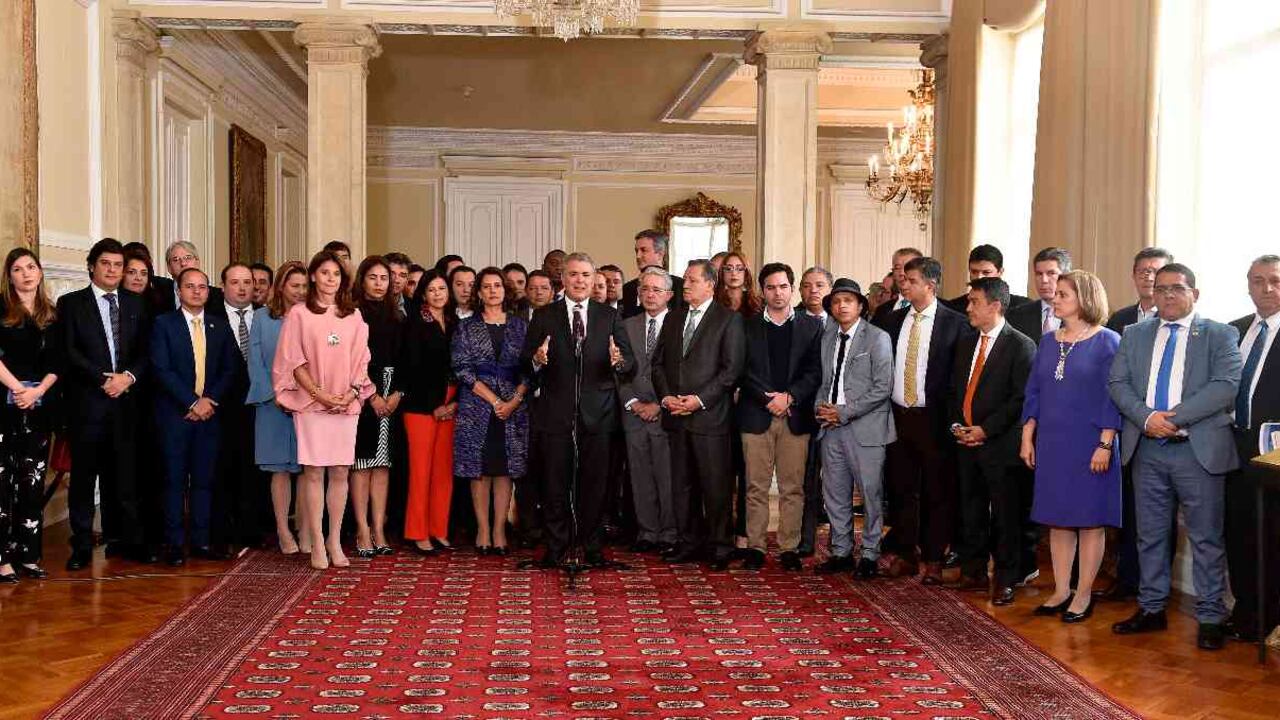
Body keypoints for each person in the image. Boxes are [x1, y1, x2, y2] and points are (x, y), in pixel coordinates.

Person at [1109, 263, 1240, 650]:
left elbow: (1225, 387)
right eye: (1161, 288)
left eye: (1177, 288)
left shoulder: (1220, 334)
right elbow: (1118, 383)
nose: (1167, 295)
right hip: (1147, 449)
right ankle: (1151, 609)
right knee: (1149, 536)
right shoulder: (1134, 333)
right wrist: (1147, 418)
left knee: (1206, 538)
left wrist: (1172, 419)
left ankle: (1211, 617)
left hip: (1197, 452)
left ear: (1194, 294)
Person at [1020, 270, 1121, 620]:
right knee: (1058, 519)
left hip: (1091, 443)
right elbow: (1034, 390)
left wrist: (1105, 443)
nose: (1055, 298)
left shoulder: (1108, 341)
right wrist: (1027, 434)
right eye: (1056, 294)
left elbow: (1114, 396)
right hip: (1053, 442)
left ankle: (1083, 593)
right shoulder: (1048, 340)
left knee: (1089, 519)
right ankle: (1061, 589)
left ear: (1085, 299)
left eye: (1063, 293)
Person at [522, 253, 634, 566]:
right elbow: (524, 364)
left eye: (586, 275)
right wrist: (536, 361)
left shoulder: (608, 316)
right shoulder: (544, 315)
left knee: (595, 486)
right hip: (556, 415)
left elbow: (630, 364)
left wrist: (619, 362)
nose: (580, 280)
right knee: (555, 485)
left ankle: (593, 548)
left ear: (593, 277)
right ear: (564, 279)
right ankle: (557, 548)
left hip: (598, 416)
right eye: (573, 274)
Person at [273, 251, 375, 570]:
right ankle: (316, 539)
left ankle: (334, 539)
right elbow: (293, 360)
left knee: (341, 471)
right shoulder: (299, 315)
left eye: (336, 274)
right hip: (312, 404)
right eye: (325, 272)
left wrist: (350, 393)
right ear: (314, 276)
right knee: (314, 471)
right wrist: (322, 395)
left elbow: (362, 360)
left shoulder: (353, 315)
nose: (331, 279)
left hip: (346, 402)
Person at [58, 238, 154, 570]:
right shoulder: (70, 304)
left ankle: (122, 540)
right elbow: (68, 352)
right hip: (88, 404)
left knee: (124, 477)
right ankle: (82, 544)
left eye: (117, 265)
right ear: (92, 266)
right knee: (85, 478)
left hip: (127, 404)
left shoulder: (137, 304)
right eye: (106, 264)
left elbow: (146, 352)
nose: (112, 270)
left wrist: (127, 376)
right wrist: (104, 379)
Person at [878, 256, 968, 583]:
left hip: (935, 420)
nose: (904, 283)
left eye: (911, 279)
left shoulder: (956, 324)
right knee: (902, 491)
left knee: (937, 492)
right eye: (903, 278)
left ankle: (933, 558)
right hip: (898, 417)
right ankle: (906, 554)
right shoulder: (892, 319)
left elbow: (959, 380)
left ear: (930, 285)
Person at [948, 277, 1037, 606]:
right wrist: (957, 424)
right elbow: (955, 390)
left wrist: (985, 430)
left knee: (1005, 516)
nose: (968, 307)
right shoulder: (967, 341)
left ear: (995, 306)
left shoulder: (1021, 345)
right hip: (965, 442)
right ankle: (972, 571)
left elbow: (1020, 399)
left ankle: (1005, 578)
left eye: (974, 302)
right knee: (970, 510)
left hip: (1001, 446)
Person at [652, 259, 746, 570]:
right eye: (686, 280)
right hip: (676, 417)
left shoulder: (728, 320)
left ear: (710, 284)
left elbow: (731, 371)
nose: (686, 285)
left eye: (692, 280)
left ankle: (720, 546)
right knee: (682, 484)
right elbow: (658, 364)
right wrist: (666, 396)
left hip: (710, 418)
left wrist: (698, 400)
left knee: (715, 485)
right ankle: (687, 542)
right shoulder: (673, 318)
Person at [1099, 246, 1175, 601]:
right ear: (1134, 276)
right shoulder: (1120, 319)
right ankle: (1127, 578)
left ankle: (1154, 587)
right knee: (1127, 507)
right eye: (1142, 270)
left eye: (1155, 271)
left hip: (1167, 430)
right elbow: (1112, 377)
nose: (1148, 276)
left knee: (1161, 514)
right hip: (1127, 429)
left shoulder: (1183, 323)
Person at [150, 268, 240, 566]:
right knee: (174, 481)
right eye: (190, 286)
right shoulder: (163, 324)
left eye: (202, 287)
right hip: (176, 416)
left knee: (204, 481)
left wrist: (208, 401)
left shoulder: (219, 326)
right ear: (179, 290)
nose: (197, 292)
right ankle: (174, 544)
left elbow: (230, 369)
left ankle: (201, 541)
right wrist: (191, 402)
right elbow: (161, 370)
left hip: (209, 417)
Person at [738, 263, 822, 571]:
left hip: (795, 415)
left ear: (792, 288)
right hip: (755, 414)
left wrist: (790, 397)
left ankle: (789, 547)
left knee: (793, 487)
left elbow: (815, 371)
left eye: (783, 286)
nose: (777, 293)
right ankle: (756, 546)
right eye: (771, 287)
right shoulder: (745, 326)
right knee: (755, 486)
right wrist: (767, 399)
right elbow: (741, 370)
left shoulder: (811, 327)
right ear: (763, 291)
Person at [813, 279, 894, 578]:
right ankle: (841, 551)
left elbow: (882, 387)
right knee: (834, 493)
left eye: (848, 300)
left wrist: (843, 413)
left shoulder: (877, 338)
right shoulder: (828, 337)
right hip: (830, 428)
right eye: (836, 301)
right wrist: (822, 408)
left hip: (866, 428)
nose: (842, 305)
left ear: (861, 305)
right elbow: (824, 380)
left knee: (871, 494)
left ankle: (871, 554)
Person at [452, 267, 530, 555]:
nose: (493, 291)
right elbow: (462, 369)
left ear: (505, 291)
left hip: (514, 408)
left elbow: (530, 370)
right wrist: (494, 401)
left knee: (505, 469)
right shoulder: (466, 327)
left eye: (498, 285)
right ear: (479, 292)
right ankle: (483, 529)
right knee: (480, 470)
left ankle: (500, 529)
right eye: (487, 286)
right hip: (477, 407)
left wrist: (513, 400)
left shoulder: (521, 326)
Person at [1226, 255, 1280, 642]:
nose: (1267, 289)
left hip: (1275, 455)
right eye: (1258, 281)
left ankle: (1271, 618)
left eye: (1275, 281)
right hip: (1232, 447)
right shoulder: (1234, 330)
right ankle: (1245, 613)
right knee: (1238, 531)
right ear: (1248, 285)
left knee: (1273, 535)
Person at [0, 249, 60, 582]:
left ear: (40, 273)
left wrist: (36, 392)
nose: (26, 274)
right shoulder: (1, 310)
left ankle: (29, 555)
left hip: (38, 408)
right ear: (9, 277)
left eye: (31, 267)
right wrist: (18, 389)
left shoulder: (51, 314)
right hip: (5, 406)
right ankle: (3, 559)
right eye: (18, 269)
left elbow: (57, 363)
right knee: (3, 485)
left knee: (32, 483)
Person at [247, 261, 307, 555]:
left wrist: (303, 398)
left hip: (308, 405)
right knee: (279, 471)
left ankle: (307, 530)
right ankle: (284, 532)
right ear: (281, 286)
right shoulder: (262, 318)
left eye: (305, 286)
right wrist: (276, 397)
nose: (300, 291)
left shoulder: (314, 317)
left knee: (308, 469)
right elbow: (256, 362)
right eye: (295, 285)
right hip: (271, 404)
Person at [618, 267, 678, 555]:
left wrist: (659, 404)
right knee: (639, 476)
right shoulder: (626, 324)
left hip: (666, 412)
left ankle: (669, 533)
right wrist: (633, 403)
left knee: (668, 476)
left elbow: (681, 373)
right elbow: (617, 370)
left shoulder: (679, 325)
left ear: (669, 295)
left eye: (656, 289)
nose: (650, 294)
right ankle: (647, 532)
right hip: (633, 412)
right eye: (645, 289)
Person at [400, 270, 458, 555]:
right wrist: (436, 404)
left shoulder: (455, 321)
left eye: (442, 289)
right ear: (423, 294)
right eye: (432, 290)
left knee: (443, 471)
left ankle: (439, 529)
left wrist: (453, 404)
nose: (438, 294)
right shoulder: (414, 323)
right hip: (422, 406)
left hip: (452, 404)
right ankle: (418, 531)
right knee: (421, 471)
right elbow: (412, 369)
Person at [350, 257, 404, 558]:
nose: (380, 283)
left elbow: (407, 358)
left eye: (385, 278)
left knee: (382, 465)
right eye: (374, 277)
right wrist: (371, 396)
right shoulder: (353, 314)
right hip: (361, 392)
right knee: (361, 465)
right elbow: (351, 359)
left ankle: (379, 528)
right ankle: (361, 529)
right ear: (362, 280)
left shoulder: (397, 315)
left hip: (392, 392)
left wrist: (397, 393)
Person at [208, 263, 263, 553]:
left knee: (252, 470)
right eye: (235, 282)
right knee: (221, 469)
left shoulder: (266, 316)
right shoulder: (210, 317)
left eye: (247, 282)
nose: (242, 288)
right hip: (221, 406)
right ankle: (222, 533)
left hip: (258, 405)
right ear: (223, 285)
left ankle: (251, 529)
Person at [796, 266, 834, 558]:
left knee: (836, 483)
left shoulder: (846, 320)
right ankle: (805, 539)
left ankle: (839, 542)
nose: (813, 291)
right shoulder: (792, 321)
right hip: (804, 413)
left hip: (839, 414)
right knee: (806, 480)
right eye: (807, 285)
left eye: (820, 285)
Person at [942, 244, 1030, 313]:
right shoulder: (953, 308)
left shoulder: (1022, 307)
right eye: (974, 272)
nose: (979, 277)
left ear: (1000, 272)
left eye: (986, 272)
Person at [1008, 247, 1071, 342]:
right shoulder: (1016, 315)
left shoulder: (1080, 316)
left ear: (1066, 276)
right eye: (1039, 274)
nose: (1044, 280)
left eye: (1051, 273)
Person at [622, 230, 684, 318]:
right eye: (636, 251)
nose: (638, 256)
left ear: (660, 254)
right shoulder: (629, 288)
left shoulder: (679, 286)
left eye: (643, 250)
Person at [158, 241, 224, 310]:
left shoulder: (219, 296)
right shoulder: (158, 296)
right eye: (176, 260)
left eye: (188, 257)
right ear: (169, 267)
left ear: (197, 262)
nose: (183, 263)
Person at [871, 247, 923, 328]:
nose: (902, 273)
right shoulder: (882, 310)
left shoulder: (936, 307)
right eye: (897, 268)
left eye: (907, 267)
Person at [385, 253, 412, 318]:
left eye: (402, 275)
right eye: (392, 274)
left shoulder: (413, 306)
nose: (396, 280)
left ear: (407, 280)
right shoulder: (371, 305)